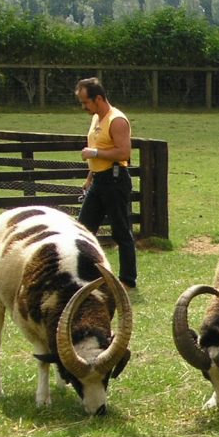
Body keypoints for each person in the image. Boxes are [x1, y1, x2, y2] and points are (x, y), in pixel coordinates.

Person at [74, 77, 137, 289]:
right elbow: (97, 154)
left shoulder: (117, 120)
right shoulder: (96, 119)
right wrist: (90, 177)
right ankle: (85, 276)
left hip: (115, 179)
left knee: (121, 231)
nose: (83, 107)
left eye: (86, 102)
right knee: (83, 229)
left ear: (98, 98)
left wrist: (95, 152)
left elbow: (124, 152)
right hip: (99, 180)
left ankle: (128, 280)